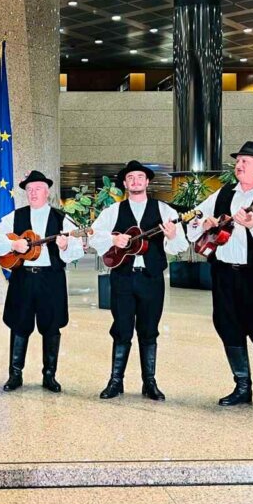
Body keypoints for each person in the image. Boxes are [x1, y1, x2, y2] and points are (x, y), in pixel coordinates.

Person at [187, 143, 253, 411]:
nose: (240, 164)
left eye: (247, 160)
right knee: (229, 328)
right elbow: (196, 216)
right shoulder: (224, 192)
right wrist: (205, 222)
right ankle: (242, 386)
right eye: (239, 160)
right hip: (224, 273)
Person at [90, 160, 188, 401]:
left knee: (149, 330)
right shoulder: (113, 211)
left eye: (139, 177)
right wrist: (113, 241)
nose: (135, 181)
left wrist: (173, 235)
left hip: (151, 278)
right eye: (130, 178)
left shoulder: (165, 211)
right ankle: (116, 381)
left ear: (147, 182)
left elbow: (181, 246)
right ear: (124, 183)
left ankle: (149, 382)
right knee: (122, 329)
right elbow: (94, 236)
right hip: (123, 278)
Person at [0, 170, 84, 393]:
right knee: (19, 325)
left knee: (51, 327)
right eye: (29, 189)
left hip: (51, 279)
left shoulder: (62, 218)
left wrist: (66, 246)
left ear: (47, 191)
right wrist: (13, 246)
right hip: (23, 279)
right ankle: (15, 374)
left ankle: (49, 375)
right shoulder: (15, 216)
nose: (33, 192)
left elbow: (77, 250)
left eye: (38, 188)